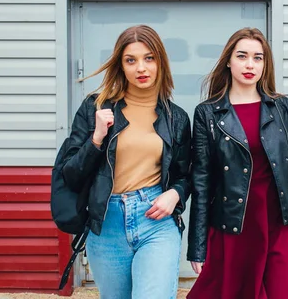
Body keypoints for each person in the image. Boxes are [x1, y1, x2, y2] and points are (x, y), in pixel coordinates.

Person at [56, 25, 191, 299]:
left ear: (160, 62)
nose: (141, 68)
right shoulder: (95, 108)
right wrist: (96, 139)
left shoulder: (176, 118)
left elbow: (186, 174)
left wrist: (175, 194)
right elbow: (70, 174)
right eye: (131, 60)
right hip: (107, 223)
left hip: (155, 219)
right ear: (121, 65)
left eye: (149, 58)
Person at [186, 27, 288, 299]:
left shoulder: (281, 107)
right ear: (228, 61)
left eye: (258, 58)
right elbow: (201, 181)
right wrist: (197, 246)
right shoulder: (208, 113)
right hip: (234, 226)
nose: (250, 65)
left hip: (279, 222)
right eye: (242, 56)